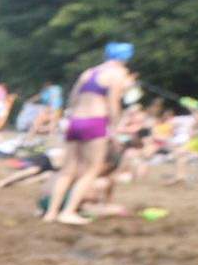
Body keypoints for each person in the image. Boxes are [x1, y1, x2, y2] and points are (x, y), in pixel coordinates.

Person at [45, 43, 134, 223]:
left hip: (75, 121)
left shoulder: (88, 72)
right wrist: (115, 129)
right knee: (91, 170)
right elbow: (113, 103)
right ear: (126, 58)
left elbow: (73, 98)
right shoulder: (118, 74)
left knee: (67, 171)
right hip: (95, 121)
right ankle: (68, 212)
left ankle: (51, 213)